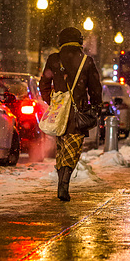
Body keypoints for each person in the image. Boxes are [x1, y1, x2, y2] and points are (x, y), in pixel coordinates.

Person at [39, 27, 102, 202]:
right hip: (77, 113)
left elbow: (44, 82)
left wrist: (51, 100)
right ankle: (64, 185)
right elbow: (95, 88)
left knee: (61, 148)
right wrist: (96, 106)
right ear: (79, 41)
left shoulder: (54, 59)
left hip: (59, 113)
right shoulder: (86, 61)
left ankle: (61, 181)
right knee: (72, 149)